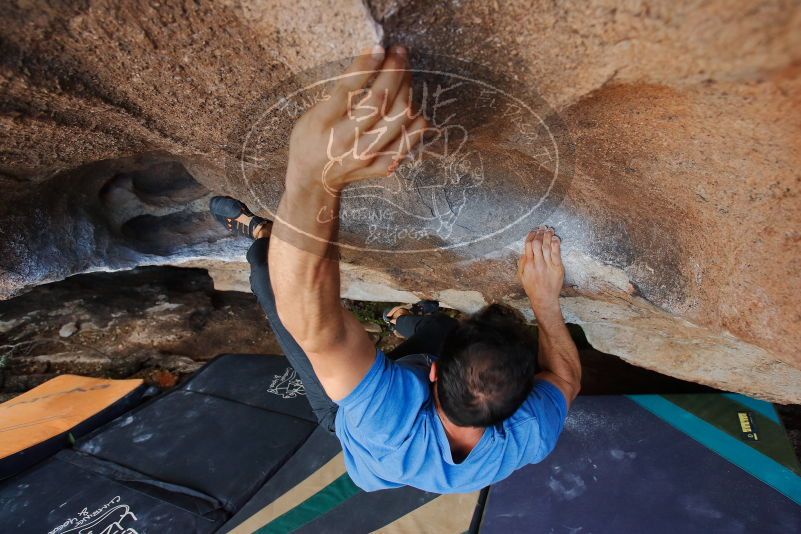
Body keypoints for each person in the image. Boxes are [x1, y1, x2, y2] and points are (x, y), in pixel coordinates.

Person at [209, 44, 581, 494]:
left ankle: (258, 238)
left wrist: (314, 176)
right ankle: (402, 319)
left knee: (278, 292)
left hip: (358, 431)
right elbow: (563, 378)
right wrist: (545, 299)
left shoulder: (383, 422)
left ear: (435, 372)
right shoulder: (528, 435)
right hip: (422, 397)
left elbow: (314, 324)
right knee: (433, 325)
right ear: (526, 400)